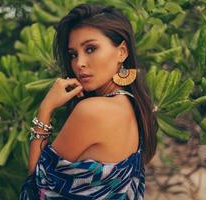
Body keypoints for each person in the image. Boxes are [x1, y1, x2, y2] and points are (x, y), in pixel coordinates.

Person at [19, 3, 157, 200]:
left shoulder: (92, 111)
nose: (79, 63)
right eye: (73, 54)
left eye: (90, 49)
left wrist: (46, 108)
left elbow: (38, 184)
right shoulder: (135, 106)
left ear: (122, 52)